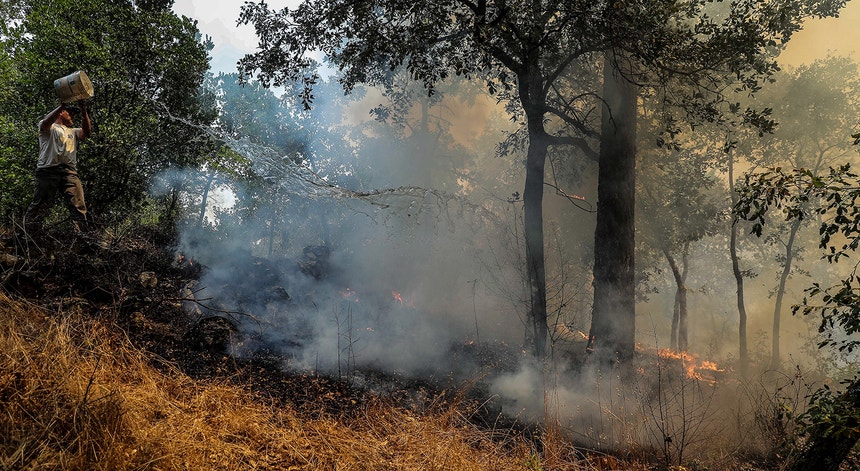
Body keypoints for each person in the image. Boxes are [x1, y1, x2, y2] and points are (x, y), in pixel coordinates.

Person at [22, 101, 92, 236]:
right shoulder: (49, 128)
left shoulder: (73, 131)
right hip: (48, 170)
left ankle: (83, 238)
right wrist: (62, 105)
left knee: (78, 205)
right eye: (69, 113)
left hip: (69, 172)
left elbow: (86, 132)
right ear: (61, 113)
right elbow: (46, 122)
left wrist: (84, 110)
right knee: (40, 205)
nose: (72, 116)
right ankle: (28, 236)